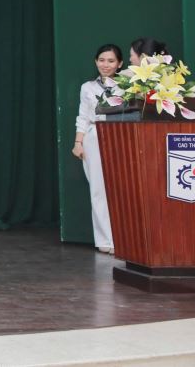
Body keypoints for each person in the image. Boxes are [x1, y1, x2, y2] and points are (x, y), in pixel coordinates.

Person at [72, 43, 123, 255]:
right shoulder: (88, 87)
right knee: (98, 189)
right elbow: (83, 116)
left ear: (120, 64)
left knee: (121, 188)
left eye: (111, 61)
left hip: (120, 137)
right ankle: (105, 239)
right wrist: (78, 142)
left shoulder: (128, 86)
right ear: (96, 62)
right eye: (101, 60)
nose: (105, 65)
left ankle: (123, 238)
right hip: (94, 136)